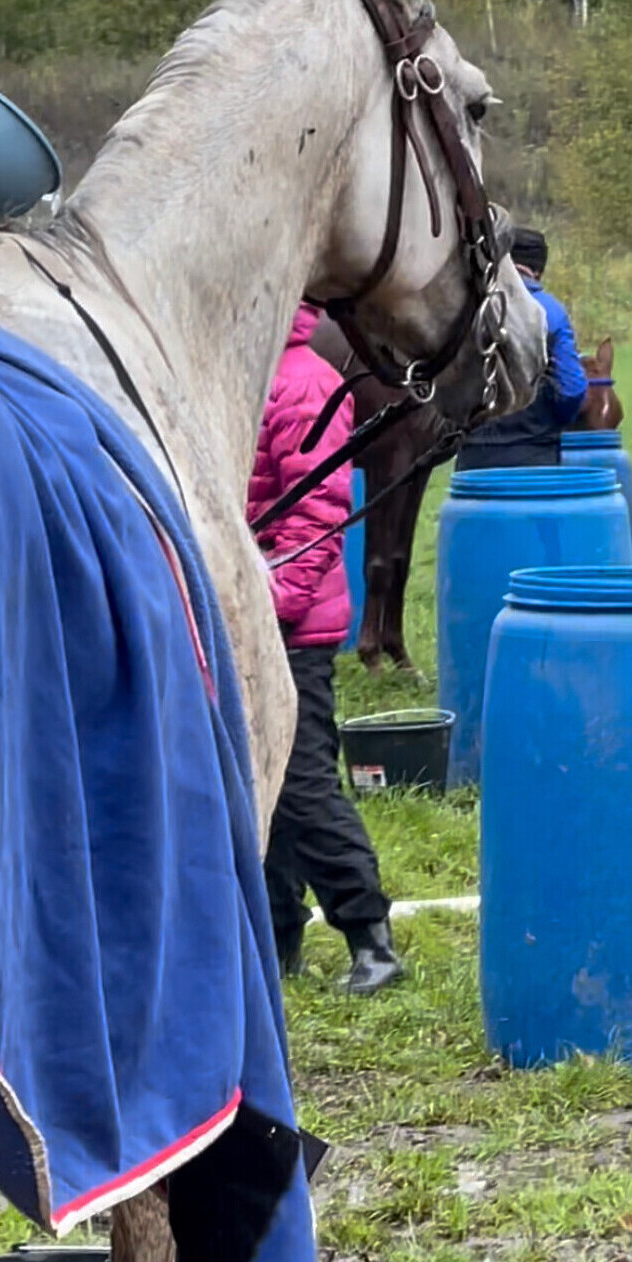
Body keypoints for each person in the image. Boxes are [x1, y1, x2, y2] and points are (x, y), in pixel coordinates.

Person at [247, 303, 403, 995]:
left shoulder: (303, 381)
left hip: (289, 624)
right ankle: (278, 939)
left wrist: (268, 608)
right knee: (260, 787)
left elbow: (316, 517)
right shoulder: (242, 368)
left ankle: (372, 939)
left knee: (303, 786)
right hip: (243, 615)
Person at [456, 225, 587, 469]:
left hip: (473, 459)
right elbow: (572, 389)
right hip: (535, 454)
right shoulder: (553, 313)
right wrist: (551, 424)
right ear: (539, 269)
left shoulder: (468, 307)